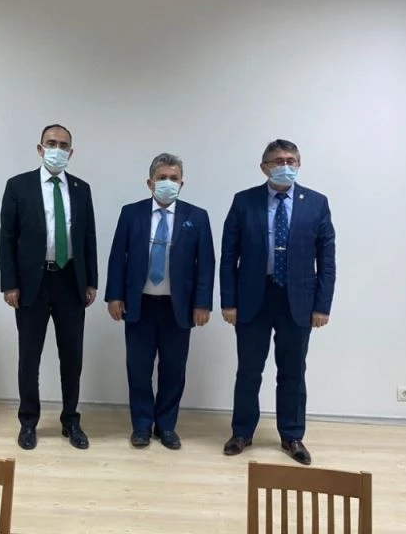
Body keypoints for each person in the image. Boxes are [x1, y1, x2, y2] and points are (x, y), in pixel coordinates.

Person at [219, 139, 336, 465]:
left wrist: (322, 305)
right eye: (278, 161)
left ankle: (292, 435)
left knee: (293, 371)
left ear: (299, 164)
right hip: (253, 298)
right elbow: (228, 255)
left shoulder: (316, 203)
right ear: (264, 167)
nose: (286, 166)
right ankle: (242, 432)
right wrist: (228, 301)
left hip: (297, 300)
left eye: (291, 160)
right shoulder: (244, 202)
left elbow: (327, 259)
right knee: (249, 370)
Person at [105, 153, 215, 450]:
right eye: (162, 178)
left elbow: (206, 264)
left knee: (173, 369)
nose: (168, 183)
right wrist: (114, 295)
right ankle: (142, 426)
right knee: (138, 368)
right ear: (150, 182)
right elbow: (117, 256)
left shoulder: (197, 216)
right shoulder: (132, 213)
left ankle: (166, 426)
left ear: (182, 183)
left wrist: (202, 303)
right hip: (139, 304)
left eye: (173, 178)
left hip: (178, 308)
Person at [0, 124, 98, 450]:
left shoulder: (81, 189)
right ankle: (28, 421)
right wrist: (10, 284)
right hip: (32, 283)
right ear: (40, 149)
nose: (57, 149)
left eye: (63, 145)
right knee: (29, 357)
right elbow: (7, 238)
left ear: (71, 152)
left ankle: (71, 420)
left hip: (70, 281)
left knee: (72, 357)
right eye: (51, 143)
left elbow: (88, 237)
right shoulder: (18, 186)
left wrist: (91, 280)